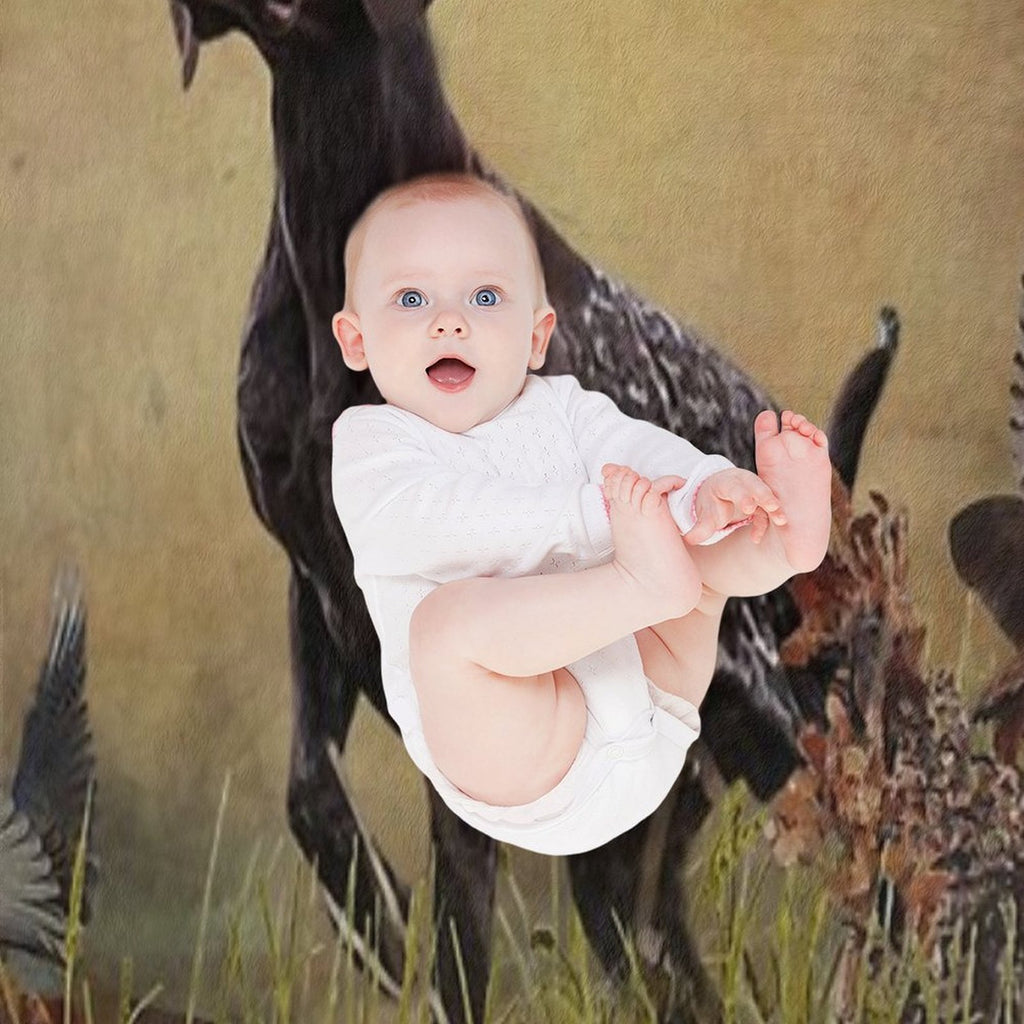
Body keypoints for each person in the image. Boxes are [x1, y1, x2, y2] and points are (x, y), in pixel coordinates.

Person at [330, 172, 832, 855]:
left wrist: (703, 487)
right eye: (411, 298)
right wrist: (599, 518)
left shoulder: (563, 409)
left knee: (695, 553)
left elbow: (639, 452)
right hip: (529, 751)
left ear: (536, 338)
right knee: (443, 630)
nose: (450, 321)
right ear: (356, 340)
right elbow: (450, 524)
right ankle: (647, 583)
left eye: (485, 296)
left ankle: (779, 546)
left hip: (654, 698)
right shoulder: (372, 447)